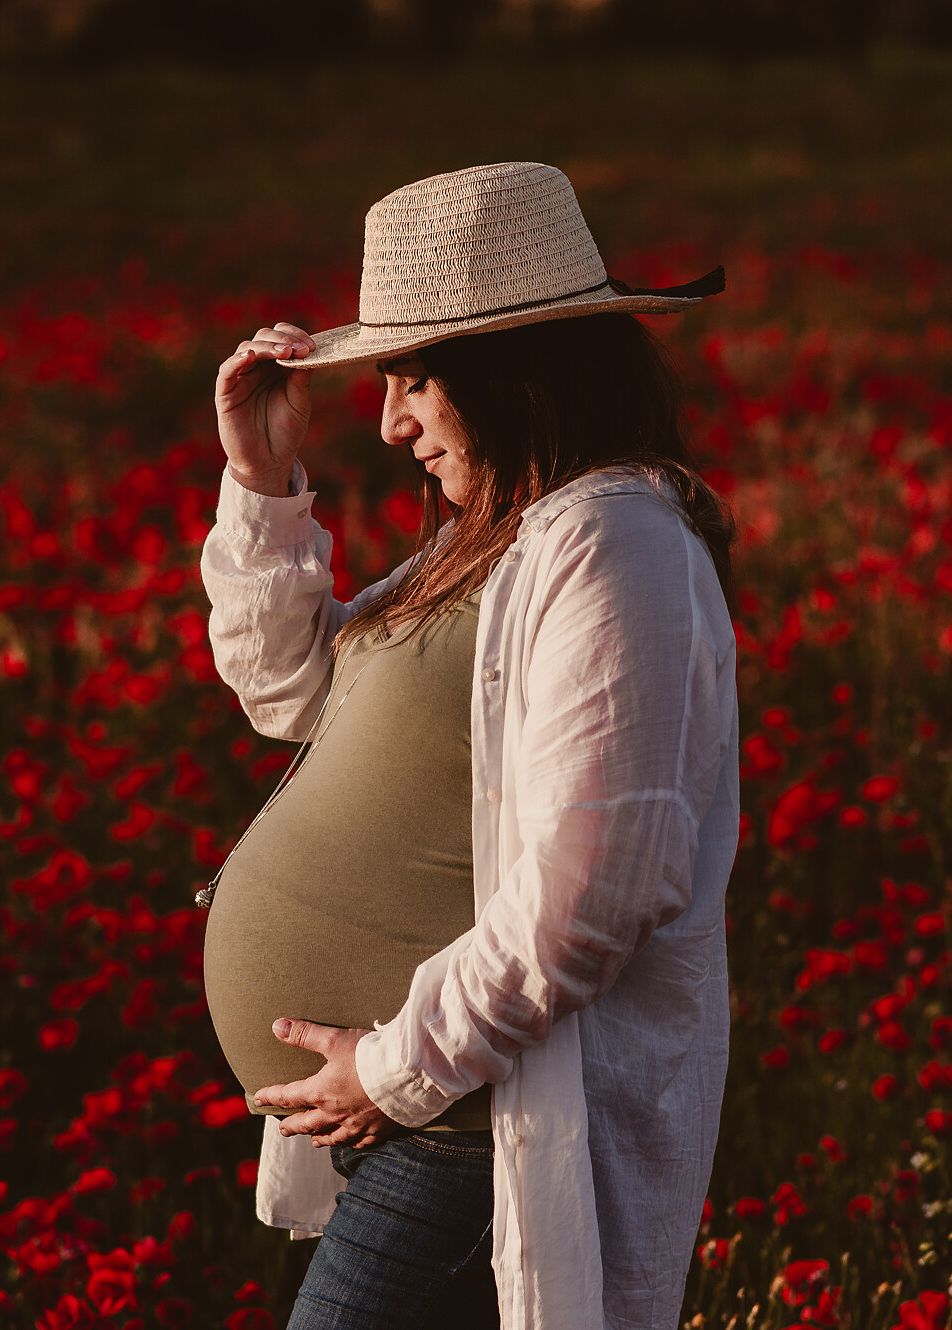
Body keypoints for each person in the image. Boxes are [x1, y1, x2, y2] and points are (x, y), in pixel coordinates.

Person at [198, 161, 740, 1330]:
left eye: (414, 379)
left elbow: (596, 889)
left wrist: (395, 1066)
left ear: (513, 370)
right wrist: (261, 479)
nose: (389, 422)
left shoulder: (615, 548)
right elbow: (289, 691)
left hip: (470, 1124)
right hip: (420, 1112)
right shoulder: (495, 538)